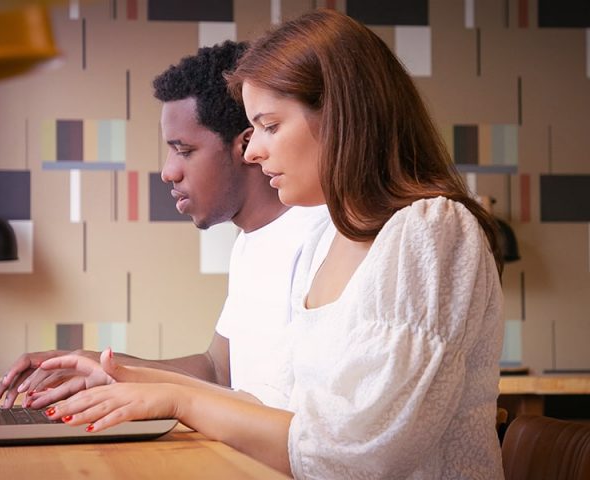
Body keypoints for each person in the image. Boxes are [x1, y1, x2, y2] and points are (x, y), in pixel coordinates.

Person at [32, 10, 505, 479]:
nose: (254, 151)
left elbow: (361, 451)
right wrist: (135, 380)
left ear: (342, 117)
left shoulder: (431, 229)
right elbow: (278, 406)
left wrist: (179, 397)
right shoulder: (328, 239)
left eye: (270, 126)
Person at [0, 40, 327, 410]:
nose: (168, 171)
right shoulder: (251, 241)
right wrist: (99, 365)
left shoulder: (321, 238)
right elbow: (217, 370)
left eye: (184, 150)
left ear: (245, 144)